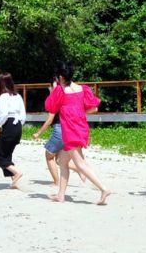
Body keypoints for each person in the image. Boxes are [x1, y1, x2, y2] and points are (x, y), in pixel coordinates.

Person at [44, 62, 112, 205]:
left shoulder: (60, 91)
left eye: (57, 77)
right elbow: (94, 109)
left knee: (80, 164)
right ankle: (61, 195)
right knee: (62, 161)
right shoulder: (83, 89)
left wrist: (53, 90)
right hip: (80, 127)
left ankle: (103, 189)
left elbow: (50, 107)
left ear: (61, 77)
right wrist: (79, 112)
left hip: (70, 130)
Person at [32, 92, 86, 186]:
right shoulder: (68, 98)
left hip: (60, 131)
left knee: (49, 156)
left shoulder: (55, 100)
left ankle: (56, 181)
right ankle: (79, 169)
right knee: (60, 160)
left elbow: (49, 121)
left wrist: (38, 133)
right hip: (69, 130)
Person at [0, 72, 26, 188]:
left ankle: (17, 173)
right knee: (7, 154)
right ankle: (14, 181)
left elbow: (3, 114)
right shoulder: (18, 96)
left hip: (9, 124)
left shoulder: (3, 96)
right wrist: (18, 125)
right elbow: (23, 114)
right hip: (18, 126)